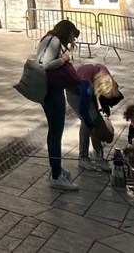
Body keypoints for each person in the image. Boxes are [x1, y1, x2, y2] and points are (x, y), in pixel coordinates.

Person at [35, 19, 83, 191]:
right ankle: (56, 176)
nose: (72, 40)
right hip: (52, 92)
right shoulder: (54, 41)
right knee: (56, 132)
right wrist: (63, 59)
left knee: (54, 131)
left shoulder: (49, 39)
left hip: (50, 90)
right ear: (66, 32)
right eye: (71, 36)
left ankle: (56, 169)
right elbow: (45, 64)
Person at [68, 63, 124, 170]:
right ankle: (83, 158)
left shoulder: (106, 75)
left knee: (97, 120)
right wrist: (92, 126)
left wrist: (103, 120)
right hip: (74, 92)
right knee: (87, 121)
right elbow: (84, 110)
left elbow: (104, 103)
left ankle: (99, 156)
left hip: (91, 88)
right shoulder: (87, 84)